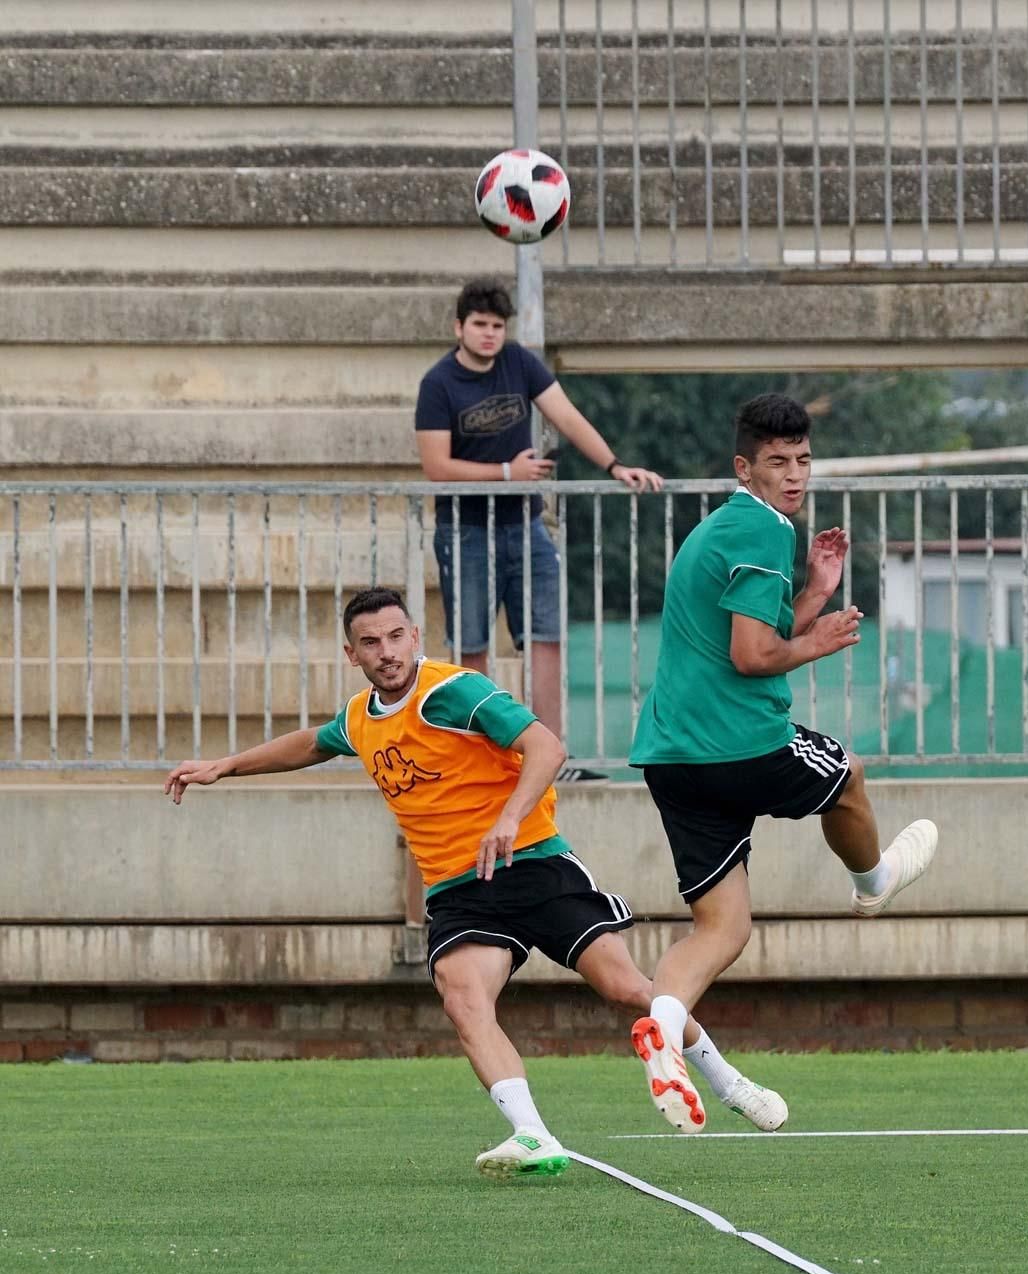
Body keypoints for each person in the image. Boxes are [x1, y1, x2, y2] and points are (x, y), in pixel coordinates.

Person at [165, 587, 788, 1177]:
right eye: (371, 643)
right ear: (350, 654)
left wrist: (510, 819)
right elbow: (313, 743)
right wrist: (225, 766)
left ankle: (730, 1082)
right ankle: (533, 1136)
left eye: (395, 637)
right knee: (463, 999)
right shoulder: (362, 718)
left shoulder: (455, 693)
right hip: (459, 893)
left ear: (415, 636)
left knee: (627, 987)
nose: (387, 653)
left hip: (535, 863)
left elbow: (547, 746)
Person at [627, 394, 938, 1134]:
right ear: (745, 467)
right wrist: (822, 638)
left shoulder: (724, 529)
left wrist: (815, 595)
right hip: (742, 743)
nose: (794, 475)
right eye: (777, 462)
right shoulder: (762, 529)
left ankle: (662, 1032)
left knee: (722, 928)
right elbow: (754, 656)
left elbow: (747, 634)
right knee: (850, 778)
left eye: (802, 460)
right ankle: (874, 883)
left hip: (673, 756)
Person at [415, 277, 663, 780]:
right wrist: (508, 474)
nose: (489, 335)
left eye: (497, 326)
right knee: (471, 647)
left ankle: (549, 757)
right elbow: (436, 465)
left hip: (524, 527)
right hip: (465, 532)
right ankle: (481, 759)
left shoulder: (520, 363)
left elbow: (567, 418)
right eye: (480, 325)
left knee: (545, 639)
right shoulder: (438, 383)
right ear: (459, 327)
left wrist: (615, 466)